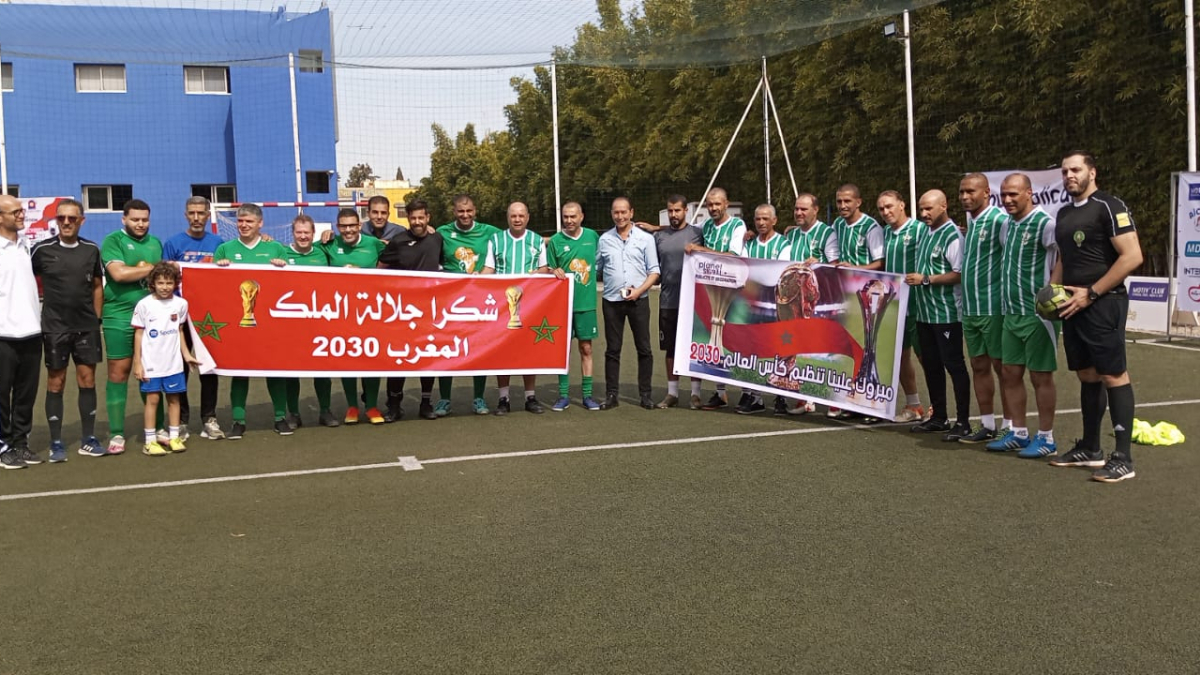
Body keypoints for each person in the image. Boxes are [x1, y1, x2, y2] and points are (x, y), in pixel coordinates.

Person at [1047, 151, 1142, 482]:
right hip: (1073, 305)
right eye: (1064, 171)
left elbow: (1132, 256)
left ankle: (1123, 459)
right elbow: (1064, 258)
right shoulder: (1063, 213)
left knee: (1113, 374)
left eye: (1076, 169)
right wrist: (1052, 291)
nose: (1069, 175)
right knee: (1087, 374)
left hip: (1104, 303)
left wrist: (1091, 293)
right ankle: (1090, 449)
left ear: (1092, 172)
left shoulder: (1109, 206)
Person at [987, 173, 1059, 457]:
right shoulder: (1006, 225)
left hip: (1037, 314)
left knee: (1040, 376)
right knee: (1009, 372)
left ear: (1029, 193)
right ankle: (1018, 432)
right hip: (1010, 312)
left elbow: (1064, 257)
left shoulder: (1046, 223)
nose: (1007, 200)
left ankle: (1046, 438)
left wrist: (1051, 292)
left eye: (1013, 194)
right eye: (1004, 194)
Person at [30, 199, 104, 462]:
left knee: (87, 380)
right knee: (56, 382)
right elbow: (24, 281)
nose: (66, 222)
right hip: (54, 328)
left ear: (81, 220)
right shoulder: (40, 250)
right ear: (56, 220)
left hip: (86, 327)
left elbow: (97, 286)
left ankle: (88, 439)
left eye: (72, 218)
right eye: (61, 218)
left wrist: (96, 319)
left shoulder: (91, 249)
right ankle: (56, 443)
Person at [213, 204, 291, 438]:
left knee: (275, 371)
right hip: (238, 323)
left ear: (260, 223)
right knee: (239, 371)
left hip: (270, 323)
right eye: (240, 221)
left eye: (249, 221)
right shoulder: (224, 249)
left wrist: (282, 267)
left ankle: (280, 417)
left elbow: (289, 285)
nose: (244, 225)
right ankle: (238, 421)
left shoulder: (275, 248)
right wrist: (219, 269)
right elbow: (214, 287)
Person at [906, 190, 972, 441]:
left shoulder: (953, 235)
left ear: (943, 206)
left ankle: (963, 422)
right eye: (921, 209)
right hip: (925, 313)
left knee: (954, 365)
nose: (924, 214)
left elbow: (959, 274)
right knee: (932, 365)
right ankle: (939, 417)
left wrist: (926, 279)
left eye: (929, 208)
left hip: (946, 314)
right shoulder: (926, 231)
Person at [99, 199, 163, 455]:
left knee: (152, 372)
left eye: (144, 219)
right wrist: (153, 269)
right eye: (135, 219)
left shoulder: (155, 243)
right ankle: (117, 433)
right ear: (124, 219)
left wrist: (148, 271)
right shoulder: (113, 240)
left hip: (152, 318)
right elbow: (119, 274)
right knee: (119, 372)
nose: (140, 224)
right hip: (119, 316)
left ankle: (157, 428)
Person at [161, 195, 225, 441]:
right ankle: (181, 420)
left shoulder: (218, 243)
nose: (196, 218)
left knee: (208, 369)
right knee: (179, 368)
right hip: (179, 318)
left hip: (208, 318)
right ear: (186, 215)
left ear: (208, 215)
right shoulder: (173, 243)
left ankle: (209, 418)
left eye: (201, 213)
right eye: (192, 213)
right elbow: (164, 280)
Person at [434, 195, 500, 416]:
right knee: (446, 349)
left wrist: (551, 240)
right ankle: (444, 399)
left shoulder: (489, 231)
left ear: (475, 211)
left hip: (479, 301)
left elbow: (514, 238)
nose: (465, 215)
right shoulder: (442, 232)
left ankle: (479, 398)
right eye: (461, 211)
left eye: (469, 211)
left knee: (479, 348)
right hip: (450, 301)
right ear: (454, 212)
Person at [378, 199, 443, 421]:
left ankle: (426, 403)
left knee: (428, 356)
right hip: (401, 311)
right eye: (413, 218)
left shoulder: (437, 239)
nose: (417, 222)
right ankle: (394, 405)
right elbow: (379, 269)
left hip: (428, 310)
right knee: (398, 358)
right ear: (408, 218)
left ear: (428, 218)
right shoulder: (398, 241)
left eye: (421, 217)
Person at [482, 201, 549, 414]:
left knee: (528, 350)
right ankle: (504, 398)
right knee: (503, 351)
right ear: (508, 217)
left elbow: (544, 268)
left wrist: (535, 275)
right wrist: (473, 280)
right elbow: (489, 269)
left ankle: (530, 397)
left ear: (527, 217)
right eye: (513, 216)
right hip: (503, 307)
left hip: (530, 306)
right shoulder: (496, 240)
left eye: (521, 215)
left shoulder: (536, 240)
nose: (517, 219)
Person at [957, 173, 1010, 443]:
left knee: (1003, 368)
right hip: (971, 308)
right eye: (962, 192)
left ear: (987, 193)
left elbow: (1010, 258)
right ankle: (987, 424)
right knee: (978, 365)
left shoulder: (1000, 220)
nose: (965, 196)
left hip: (993, 307)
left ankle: (1011, 426)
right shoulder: (971, 221)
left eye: (971, 191)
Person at [596, 197, 660, 410]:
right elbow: (595, 268)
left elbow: (654, 271)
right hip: (611, 301)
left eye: (624, 212)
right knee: (612, 350)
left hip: (638, 301)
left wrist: (639, 291)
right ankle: (611, 395)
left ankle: (646, 395)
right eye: (616, 212)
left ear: (631, 212)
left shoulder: (645, 239)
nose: (620, 216)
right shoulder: (604, 239)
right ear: (612, 214)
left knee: (644, 349)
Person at [131, 262, 199, 456]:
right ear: (153, 283)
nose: (165, 287)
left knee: (174, 399)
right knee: (152, 400)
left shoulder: (181, 304)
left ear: (175, 283)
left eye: (169, 283)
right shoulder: (144, 304)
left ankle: (174, 437)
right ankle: (150, 441)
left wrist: (186, 355)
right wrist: (138, 363)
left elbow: (179, 331)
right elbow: (138, 335)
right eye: (160, 283)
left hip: (173, 364)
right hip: (151, 364)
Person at [780, 193, 839, 415]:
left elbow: (835, 266)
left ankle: (834, 401)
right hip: (796, 303)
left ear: (816, 210)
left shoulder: (827, 233)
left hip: (821, 301)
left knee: (824, 352)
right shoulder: (792, 234)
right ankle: (804, 399)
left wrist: (820, 263)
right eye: (796, 209)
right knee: (798, 349)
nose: (799, 212)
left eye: (804, 209)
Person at [829, 184, 885, 420]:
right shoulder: (838, 225)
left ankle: (875, 403)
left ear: (858, 202)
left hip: (869, 297)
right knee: (854, 349)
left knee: (872, 350)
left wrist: (856, 267)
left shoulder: (871, 227)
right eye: (839, 201)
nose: (842, 206)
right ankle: (855, 402)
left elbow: (880, 263)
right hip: (848, 297)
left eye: (847, 201)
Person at [689, 188, 746, 411]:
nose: (713, 208)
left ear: (726, 204)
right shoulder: (706, 226)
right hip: (713, 290)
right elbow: (684, 230)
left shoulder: (737, 226)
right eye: (710, 204)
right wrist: (657, 228)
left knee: (735, 341)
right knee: (714, 338)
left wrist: (700, 249)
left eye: (717, 204)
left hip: (735, 291)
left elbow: (733, 255)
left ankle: (748, 393)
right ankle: (720, 393)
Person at [282, 214, 339, 429]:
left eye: (307, 232)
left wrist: (332, 234)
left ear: (314, 233)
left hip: (319, 319)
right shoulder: (281, 252)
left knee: (322, 368)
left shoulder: (322, 251)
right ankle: (293, 413)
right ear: (292, 233)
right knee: (291, 370)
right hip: (291, 321)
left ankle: (325, 410)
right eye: (299, 232)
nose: (303, 236)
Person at [877, 190, 927, 423]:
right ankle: (914, 405)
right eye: (881, 208)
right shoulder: (886, 232)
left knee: (926, 356)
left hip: (919, 304)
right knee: (900, 357)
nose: (886, 212)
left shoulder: (919, 229)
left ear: (902, 205)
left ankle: (939, 407)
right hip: (895, 305)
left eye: (889, 206)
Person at [0, 195, 42, 469]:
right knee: (1, 396)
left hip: (31, 333)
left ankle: (20, 443)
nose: (21, 214)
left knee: (26, 395)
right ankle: (3, 446)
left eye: (21, 210)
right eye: (14, 212)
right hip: (3, 335)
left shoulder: (26, 245)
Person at [546, 202, 601, 411]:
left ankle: (587, 395)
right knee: (563, 351)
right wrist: (553, 271)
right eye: (565, 217)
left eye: (573, 216)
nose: (569, 220)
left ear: (581, 217)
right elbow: (549, 269)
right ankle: (563, 395)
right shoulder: (555, 241)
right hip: (562, 306)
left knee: (586, 348)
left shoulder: (592, 237)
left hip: (586, 304)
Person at [651, 195, 703, 409]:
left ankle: (695, 394)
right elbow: (654, 267)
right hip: (668, 301)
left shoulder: (698, 234)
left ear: (685, 211)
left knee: (693, 348)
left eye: (677, 210)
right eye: (670, 211)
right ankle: (672, 393)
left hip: (693, 302)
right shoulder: (658, 237)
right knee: (670, 349)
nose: (673, 214)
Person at [739, 204, 789, 415]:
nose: (761, 223)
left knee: (780, 349)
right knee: (753, 349)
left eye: (765, 219)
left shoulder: (784, 244)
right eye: (758, 219)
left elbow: (782, 273)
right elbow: (743, 269)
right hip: (754, 304)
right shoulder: (749, 245)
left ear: (774, 221)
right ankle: (755, 396)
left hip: (777, 305)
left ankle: (781, 396)